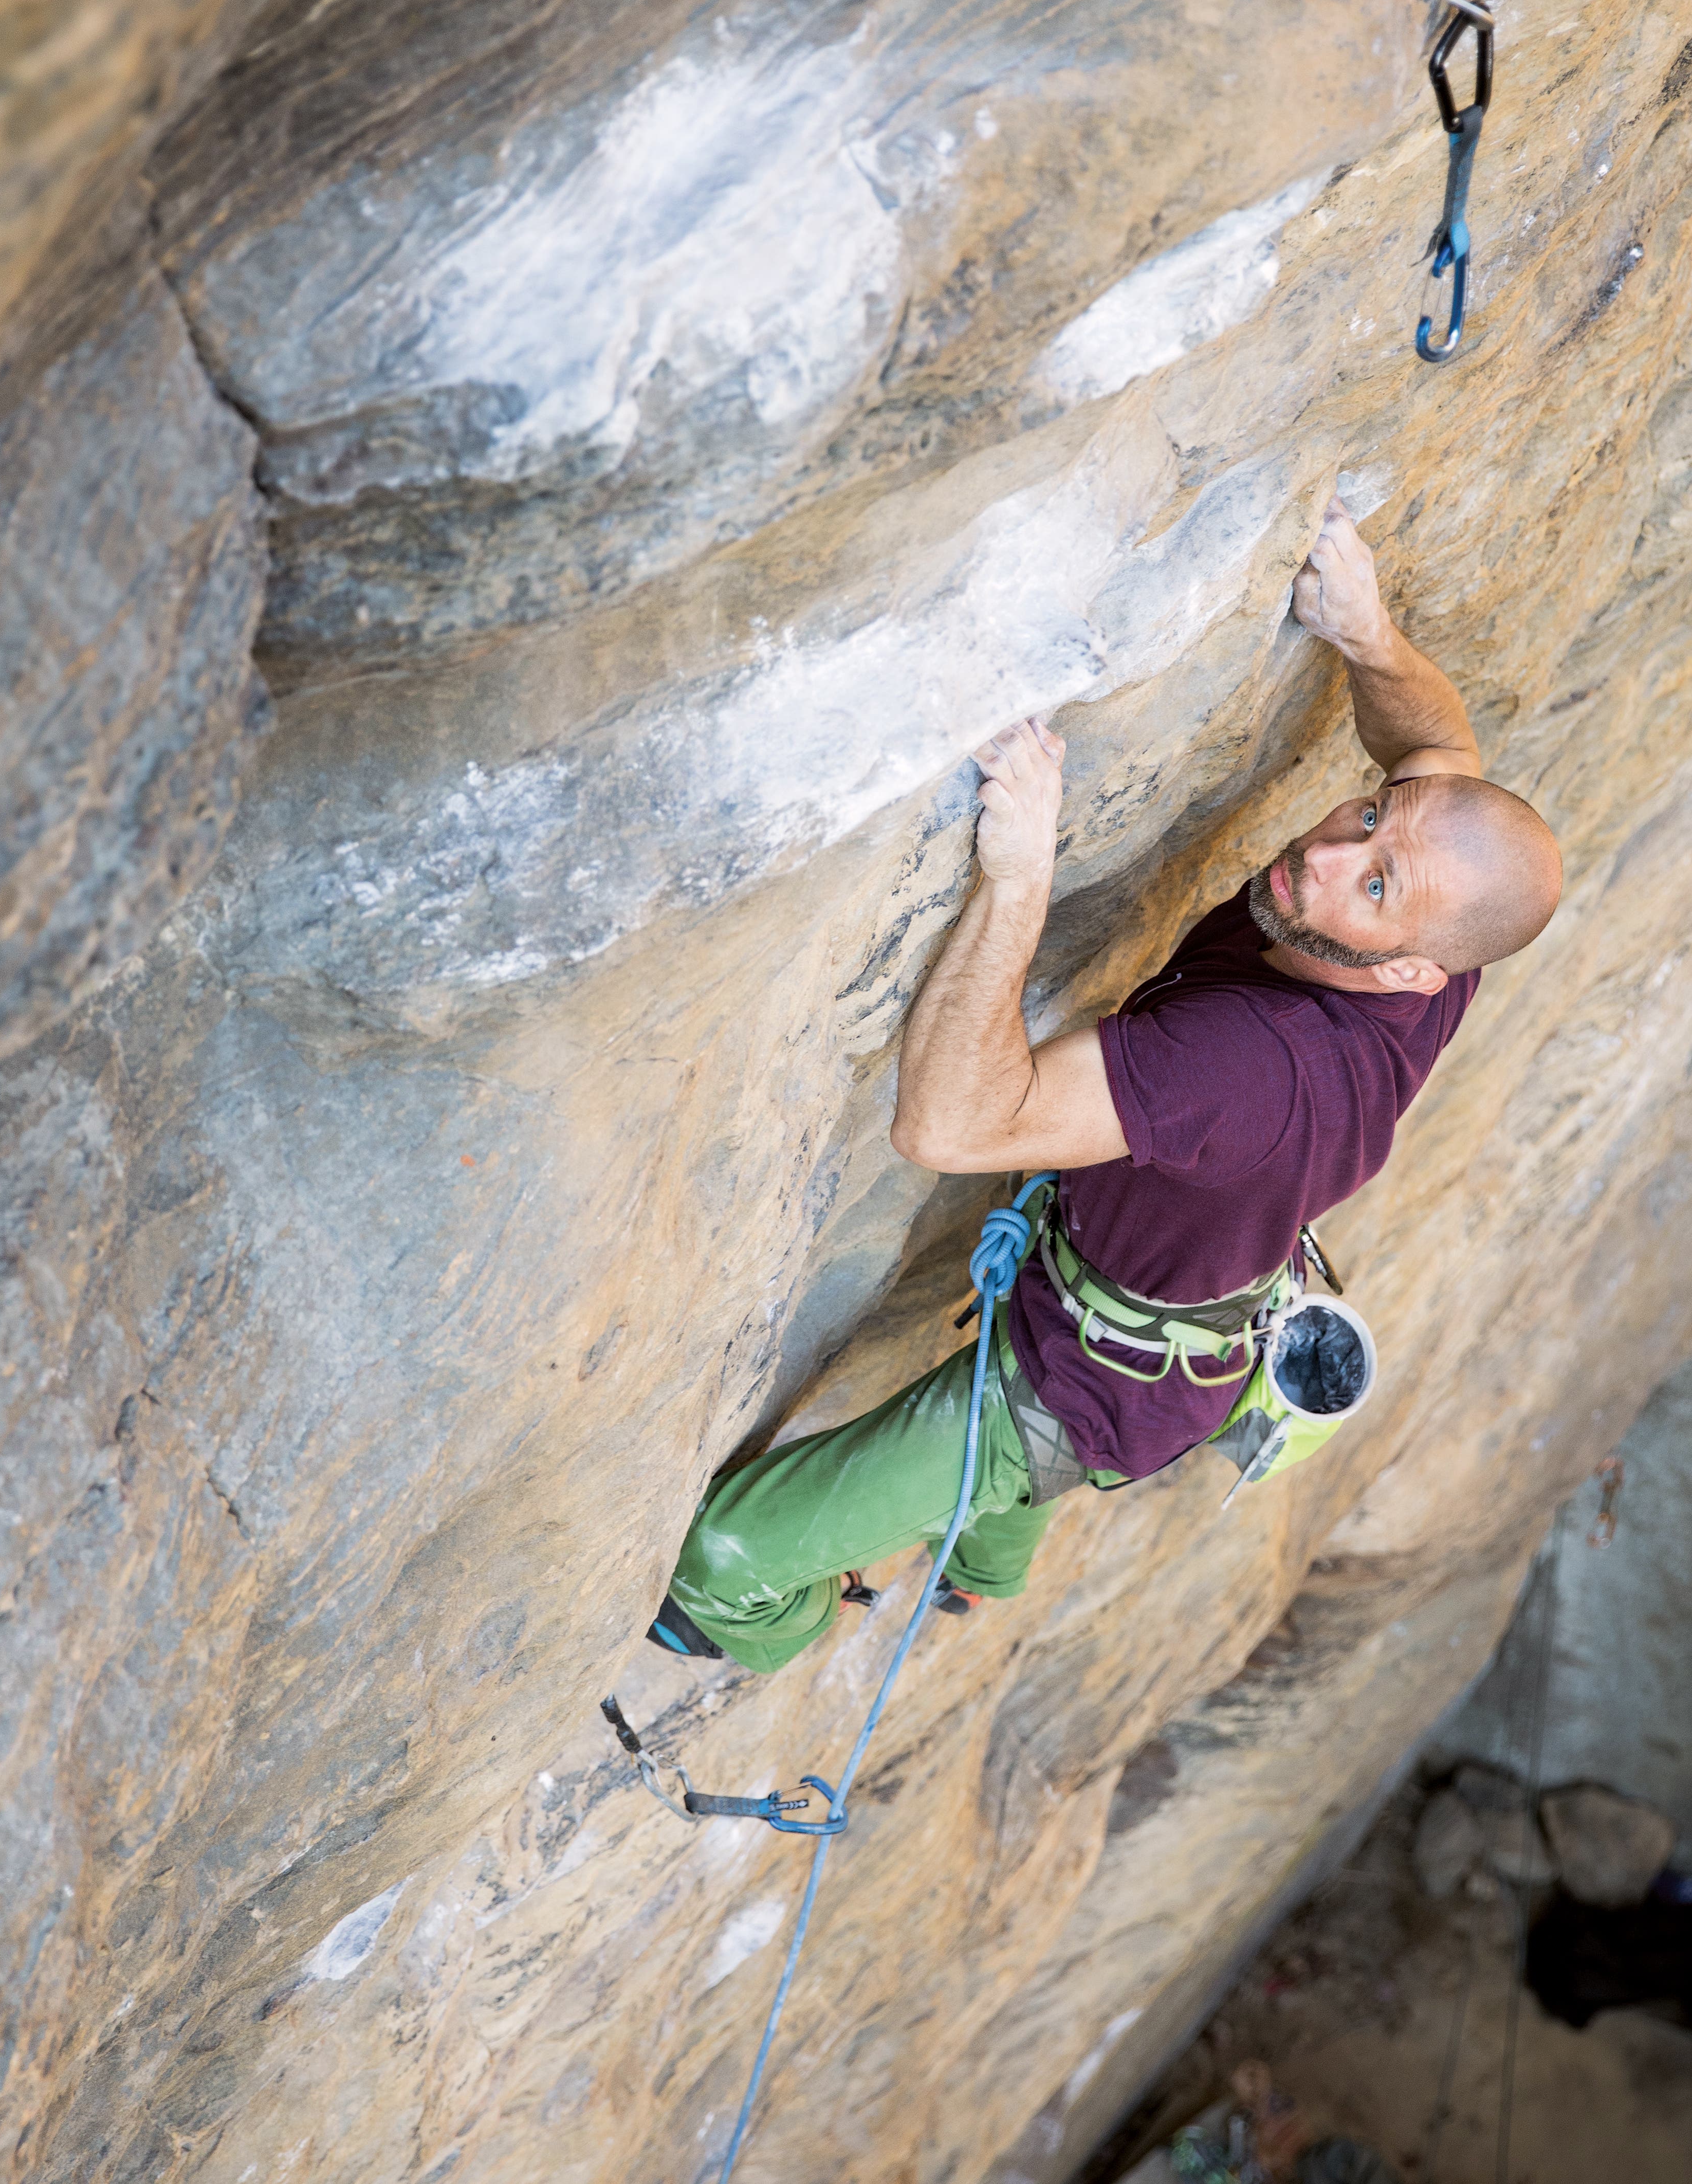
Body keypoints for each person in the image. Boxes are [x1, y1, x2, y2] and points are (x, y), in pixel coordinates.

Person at [649, 497, 1561, 1669]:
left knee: (725, 1560)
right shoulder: (1440, 932)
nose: (1324, 856)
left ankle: (807, 1622)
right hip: (1177, 1316)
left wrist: (1017, 878)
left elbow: (946, 1124)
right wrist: (1368, 638)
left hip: (1084, 1379)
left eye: (1372, 884)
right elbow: (1440, 754)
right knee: (1016, 1474)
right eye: (1365, 817)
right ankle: (980, 1573)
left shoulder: (1246, 1067)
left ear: (1407, 964)